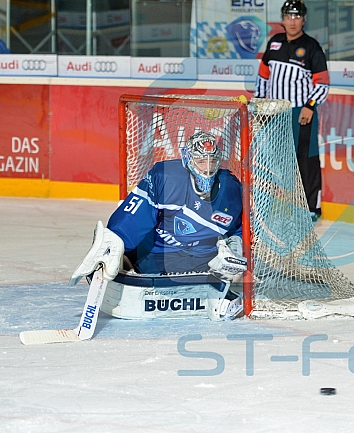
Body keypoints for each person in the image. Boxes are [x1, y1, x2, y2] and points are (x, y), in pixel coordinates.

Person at [69, 130, 247, 319]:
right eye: (201, 162)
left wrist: (236, 246)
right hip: (155, 254)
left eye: (212, 162)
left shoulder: (230, 188)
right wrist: (116, 239)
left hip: (196, 259)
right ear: (188, 160)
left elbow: (238, 227)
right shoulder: (166, 177)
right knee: (133, 251)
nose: (207, 169)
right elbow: (135, 214)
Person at [254, 0, 330, 222]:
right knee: (278, 162)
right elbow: (263, 77)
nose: (293, 21)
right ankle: (285, 203)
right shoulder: (275, 43)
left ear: (304, 20)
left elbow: (323, 82)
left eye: (297, 17)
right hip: (275, 113)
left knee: (306, 161)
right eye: (289, 16)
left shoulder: (311, 47)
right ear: (283, 19)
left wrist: (310, 105)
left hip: (301, 114)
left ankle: (312, 208)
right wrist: (259, 104)